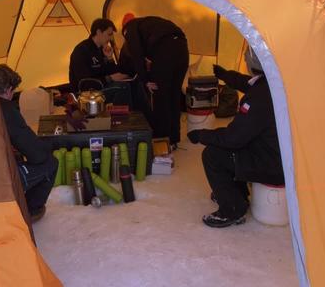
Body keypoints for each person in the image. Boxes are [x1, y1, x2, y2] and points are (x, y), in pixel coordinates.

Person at [186, 47, 284, 228]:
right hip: (283, 158)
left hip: (273, 165)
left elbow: (234, 138)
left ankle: (233, 207)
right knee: (233, 148)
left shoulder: (259, 98)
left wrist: (202, 135)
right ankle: (232, 193)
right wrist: (225, 75)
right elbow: (246, 82)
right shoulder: (274, 83)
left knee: (213, 154)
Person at [0, 64, 58, 223]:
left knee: (19, 158)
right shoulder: (6, 109)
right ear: (8, 90)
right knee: (50, 163)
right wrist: (50, 144)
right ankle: (30, 211)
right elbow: (36, 154)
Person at [120, 14, 189, 146]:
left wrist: (145, 80)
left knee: (161, 97)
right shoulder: (149, 23)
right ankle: (174, 138)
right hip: (182, 47)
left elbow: (137, 55)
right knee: (174, 96)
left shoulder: (131, 28)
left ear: (124, 28)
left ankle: (161, 141)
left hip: (165, 50)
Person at [69, 18, 130, 93]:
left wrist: (110, 58)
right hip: (86, 94)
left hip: (102, 88)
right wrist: (110, 78)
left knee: (131, 83)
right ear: (98, 32)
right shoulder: (81, 51)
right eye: (109, 34)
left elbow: (113, 73)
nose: (111, 38)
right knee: (123, 87)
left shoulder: (102, 50)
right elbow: (84, 83)